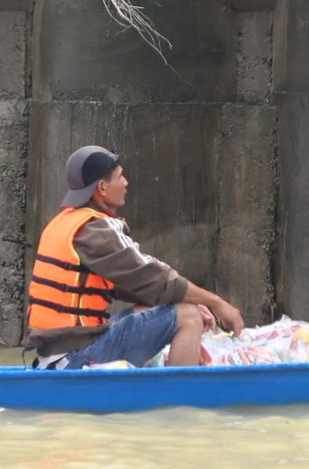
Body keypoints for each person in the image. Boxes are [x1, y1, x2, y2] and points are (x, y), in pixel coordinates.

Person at [25, 145, 245, 370]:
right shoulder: (95, 228)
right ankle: (179, 400)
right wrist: (216, 302)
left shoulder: (65, 222)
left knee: (166, 307)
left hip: (55, 356)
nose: (126, 182)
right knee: (188, 314)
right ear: (102, 187)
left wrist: (188, 298)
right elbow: (154, 278)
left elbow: (142, 289)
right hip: (76, 358)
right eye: (120, 177)